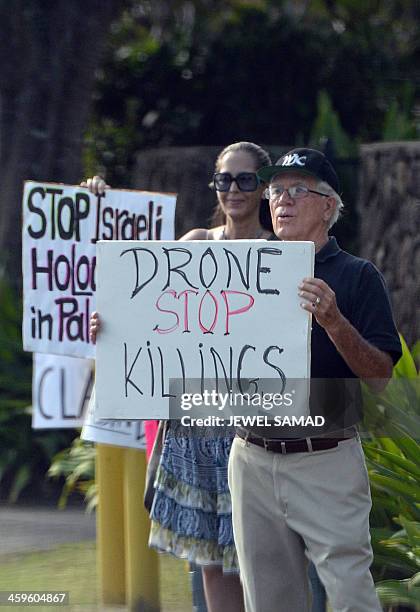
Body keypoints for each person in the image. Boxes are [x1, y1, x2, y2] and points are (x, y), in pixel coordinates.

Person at [88, 141, 272, 612]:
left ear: (263, 187)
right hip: (194, 432)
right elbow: (144, 310)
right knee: (211, 561)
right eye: (224, 179)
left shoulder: (280, 255)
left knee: (265, 560)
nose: (233, 189)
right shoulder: (194, 244)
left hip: (257, 433)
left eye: (245, 179)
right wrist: (108, 329)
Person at [227, 148, 402, 612]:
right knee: (269, 601)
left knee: (351, 597)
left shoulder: (358, 276)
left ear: (328, 205)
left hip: (325, 455)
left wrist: (335, 322)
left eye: (297, 190)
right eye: (276, 190)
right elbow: (178, 328)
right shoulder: (243, 271)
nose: (281, 200)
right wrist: (118, 329)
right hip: (251, 456)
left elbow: (381, 376)